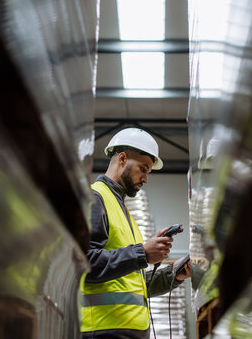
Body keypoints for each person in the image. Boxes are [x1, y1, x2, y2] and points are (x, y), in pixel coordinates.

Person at [81, 128, 191, 339]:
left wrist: (173, 274)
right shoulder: (96, 199)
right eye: (143, 168)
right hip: (103, 331)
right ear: (122, 159)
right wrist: (142, 253)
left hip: (127, 332)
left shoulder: (123, 212)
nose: (145, 178)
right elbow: (85, 264)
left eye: (148, 172)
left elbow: (133, 286)